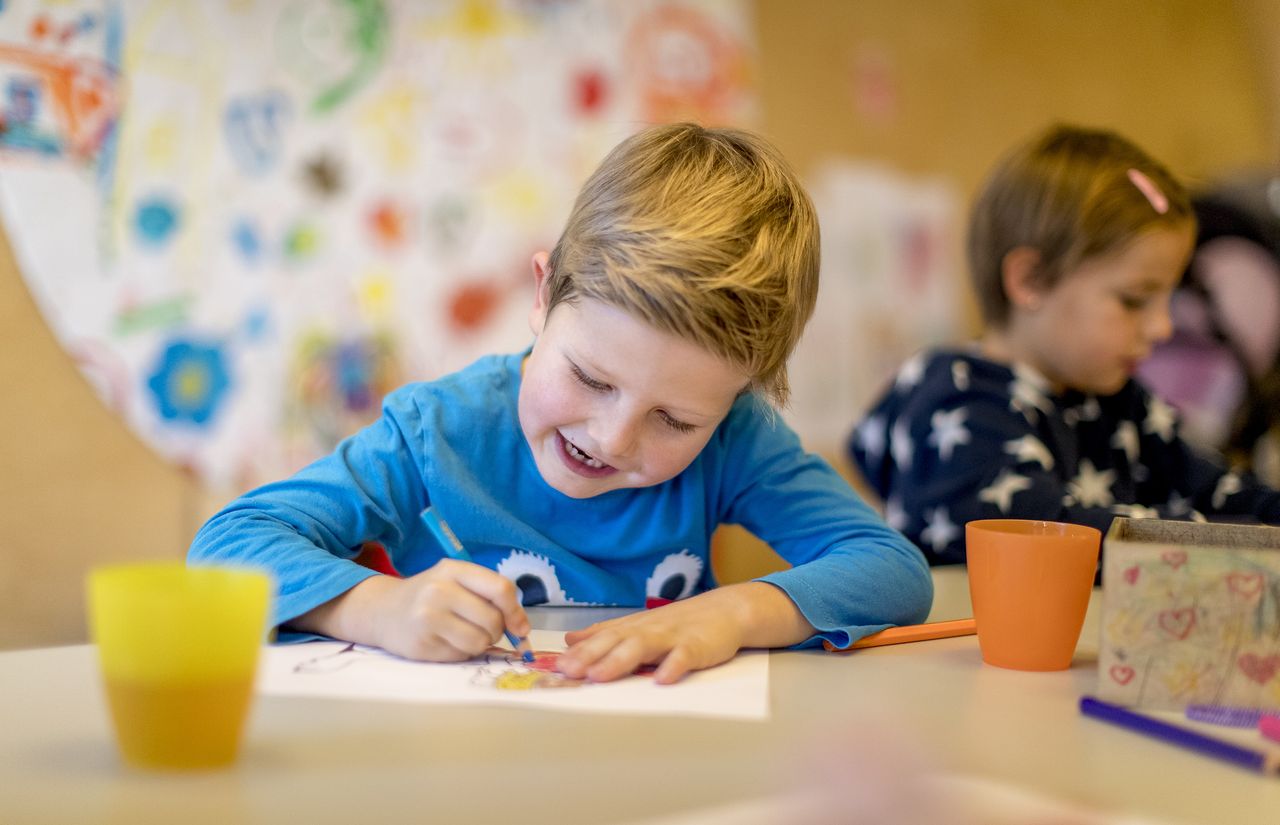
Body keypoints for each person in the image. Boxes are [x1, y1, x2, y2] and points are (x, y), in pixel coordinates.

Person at [190, 122, 933, 684]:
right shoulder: (437, 432)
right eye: (591, 377)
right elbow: (225, 547)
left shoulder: (738, 439)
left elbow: (891, 569)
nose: (611, 437)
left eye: (675, 419)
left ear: (733, 399)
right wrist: (374, 608)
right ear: (544, 296)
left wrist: (735, 611)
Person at [848, 124, 1280, 566]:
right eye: (1133, 300)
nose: (1162, 327)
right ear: (1030, 280)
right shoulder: (956, 404)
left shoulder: (1118, 399)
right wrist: (1229, 539)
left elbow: (1217, 489)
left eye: (1166, 299)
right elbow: (1051, 537)